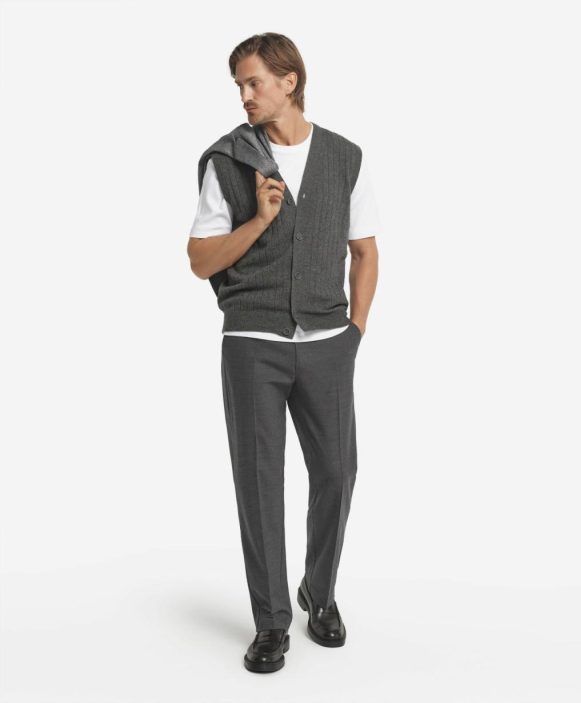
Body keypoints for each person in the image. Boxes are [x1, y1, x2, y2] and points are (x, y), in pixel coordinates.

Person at [187, 32, 380, 673]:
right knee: (259, 483)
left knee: (338, 474)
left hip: (327, 342)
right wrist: (259, 221)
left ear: (289, 80)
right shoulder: (228, 160)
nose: (244, 96)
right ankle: (271, 623)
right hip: (252, 343)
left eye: (254, 82)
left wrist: (354, 331)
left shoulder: (345, 156)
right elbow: (200, 261)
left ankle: (318, 594)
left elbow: (365, 252)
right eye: (239, 86)